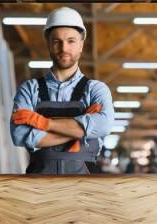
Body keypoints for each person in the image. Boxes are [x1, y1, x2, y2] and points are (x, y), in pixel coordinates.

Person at [10, 7, 115, 174]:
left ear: (81, 44)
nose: (64, 48)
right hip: (39, 187)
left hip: (84, 185)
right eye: (57, 41)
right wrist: (80, 131)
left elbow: (104, 125)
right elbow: (19, 135)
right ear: (48, 43)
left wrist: (45, 123)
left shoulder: (96, 90)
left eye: (71, 41)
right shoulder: (29, 89)